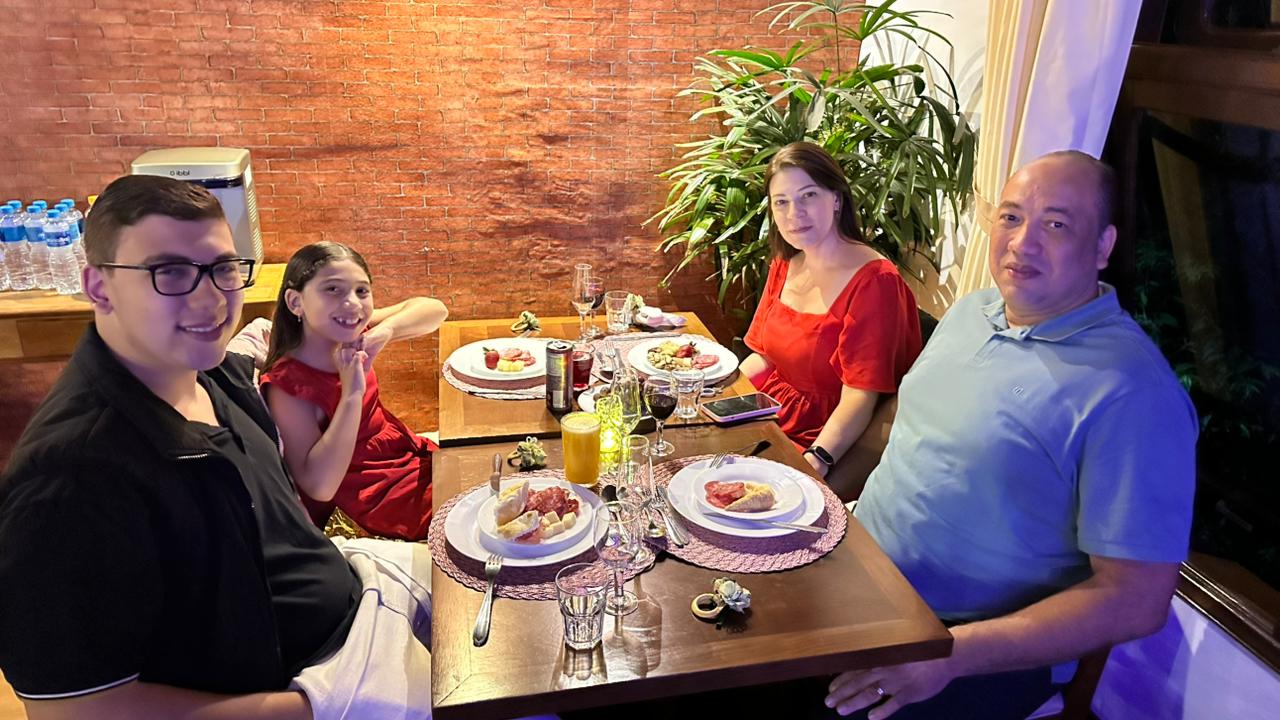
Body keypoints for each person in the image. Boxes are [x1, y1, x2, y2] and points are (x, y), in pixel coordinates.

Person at [0, 176, 431, 719]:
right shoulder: (69, 479)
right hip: (311, 678)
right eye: (170, 272)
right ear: (99, 286)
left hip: (356, 592)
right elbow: (72, 710)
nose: (211, 300)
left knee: (506, 581)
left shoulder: (220, 376)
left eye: (224, 268)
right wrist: (309, 709)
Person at [822, 151, 1198, 719]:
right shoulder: (972, 311)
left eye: (1056, 224)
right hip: (857, 572)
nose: (1023, 243)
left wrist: (948, 657)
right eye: (1011, 217)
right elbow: (902, 426)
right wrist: (817, 489)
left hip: (961, 645)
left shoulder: (1134, 395)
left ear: (1103, 246)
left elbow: (1137, 599)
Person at [741, 142, 922, 486]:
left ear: (836, 199)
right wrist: (713, 392)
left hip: (828, 439)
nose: (794, 213)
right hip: (769, 418)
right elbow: (764, 357)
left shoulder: (875, 281)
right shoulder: (786, 262)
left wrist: (817, 460)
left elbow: (860, 396)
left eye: (808, 196)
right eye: (781, 202)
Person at [258, 242, 447, 541]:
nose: (352, 304)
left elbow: (436, 310)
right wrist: (351, 393)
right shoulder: (288, 386)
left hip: (407, 455)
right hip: (375, 493)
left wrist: (386, 331)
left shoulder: (349, 330)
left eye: (361, 290)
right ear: (295, 302)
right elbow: (319, 486)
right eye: (333, 289)